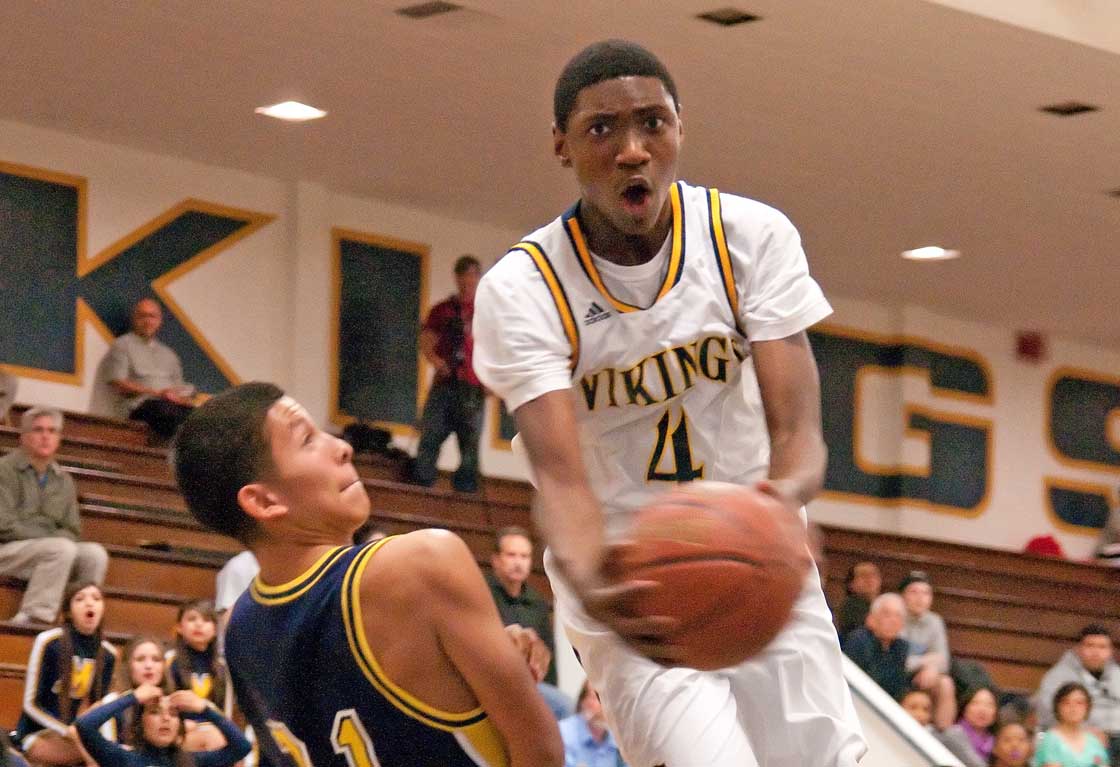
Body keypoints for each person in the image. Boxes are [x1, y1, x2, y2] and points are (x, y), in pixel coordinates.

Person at [472, 39, 865, 767]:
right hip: (628, 572)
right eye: (602, 129)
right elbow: (560, 477)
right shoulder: (522, 289)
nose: (632, 150)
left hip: (756, 538)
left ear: (681, 129)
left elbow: (799, 428)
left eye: (653, 123)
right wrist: (592, 573)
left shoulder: (750, 236)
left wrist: (780, 503)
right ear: (561, 145)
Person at [172, 382, 562, 767]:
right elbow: (542, 752)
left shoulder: (241, 627)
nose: (342, 447)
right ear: (263, 500)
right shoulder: (423, 562)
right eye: (307, 440)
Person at [0, 407, 109, 624]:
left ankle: (76, 619)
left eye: (52, 431)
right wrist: (49, 537)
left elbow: (72, 529)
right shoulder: (4, 470)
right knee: (60, 548)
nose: (45, 436)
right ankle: (35, 618)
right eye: (38, 430)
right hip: (7, 550)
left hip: (47, 550)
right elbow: (4, 525)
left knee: (95, 554)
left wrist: (52, 539)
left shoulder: (63, 480)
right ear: (23, 436)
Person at [15, 582, 117, 766]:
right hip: (38, 733)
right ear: (68, 611)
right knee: (108, 755)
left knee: (114, 752)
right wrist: (66, 731)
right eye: (80, 599)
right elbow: (31, 704)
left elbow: (102, 709)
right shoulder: (49, 642)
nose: (89, 603)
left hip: (78, 737)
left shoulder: (108, 654)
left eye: (96, 598)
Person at [409, 256, 486, 493]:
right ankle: (422, 483)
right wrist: (437, 362)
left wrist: (492, 383)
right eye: (464, 275)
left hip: (474, 386)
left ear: (478, 278)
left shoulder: (486, 312)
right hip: (446, 382)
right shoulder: (442, 310)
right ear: (457, 277)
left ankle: (466, 491)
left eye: (473, 275)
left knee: (471, 444)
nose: (468, 281)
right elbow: (426, 341)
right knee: (431, 434)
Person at [486, 526, 570, 718]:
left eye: (524, 557)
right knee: (564, 708)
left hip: (532, 686)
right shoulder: (482, 593)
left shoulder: (538, 602)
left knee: (563, 708)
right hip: (493, 682)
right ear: (496, 560)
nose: (518, 562)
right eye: (511, 555)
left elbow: (548, 656)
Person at [72, 683, 250, 767]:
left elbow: (242, 746)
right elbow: (84, 725)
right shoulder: (123, 758)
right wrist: (132, 697)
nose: (165, 718)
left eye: (173, 714)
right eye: (155, 712)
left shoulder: (193, 761)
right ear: (140, 723)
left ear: (179, 726)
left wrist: (204, 708)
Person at [104, 297, 195, 439]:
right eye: (142, 316)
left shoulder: (169, 354)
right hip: (139, 408)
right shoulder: (122, 345)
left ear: (159, 320)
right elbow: (118, 384)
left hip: (169, 408)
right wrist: (157, 393)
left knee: (197, 417)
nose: (147, 321)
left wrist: (181, 397)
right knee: (164, 411)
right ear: (134, 319)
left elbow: (178, 389)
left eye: (152, 316)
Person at [1034, 625, 1120, 764]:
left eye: (1102, 647)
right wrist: (1082, 732)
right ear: (1078, 648)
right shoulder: (1057, 677)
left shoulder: (1117, 674)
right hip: (1077, 739)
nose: (1096, 652)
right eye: (1090, 646)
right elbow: (1048, 713)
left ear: (1111, 651)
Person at [166, 600, 232, 751]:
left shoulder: (223, 667)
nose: (199, 624)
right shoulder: (170, 661)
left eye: (206, 620)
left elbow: (225, 712)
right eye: (191, 619)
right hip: (182, 731)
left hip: (215, 731)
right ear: (179, 627)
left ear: (215, 630)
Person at [899, 571, 957, 729]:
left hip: (922, 678)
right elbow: (898, 661)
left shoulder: (935, 621)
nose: (920, 598)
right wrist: (926, 662)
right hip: (897, 675)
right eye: (914, 592)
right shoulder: (896, 616)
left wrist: (931, 668)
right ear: (902, 596)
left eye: (925, 593)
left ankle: (942, 734)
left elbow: (943, 662)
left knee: (945, 683)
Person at [89, 635, 170, 745]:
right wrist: (132, 698)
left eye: (156, 660)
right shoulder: (113, 701)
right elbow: (76, 730)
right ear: (127, 666)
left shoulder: (171, 704)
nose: (149, 665)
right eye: (140, 659)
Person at [843, 593, 912, 700]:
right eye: (887, 614)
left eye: (898, 616)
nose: (893, 620)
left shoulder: (901, 646)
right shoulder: (859, 640)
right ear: (871, 618)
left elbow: (899, 686)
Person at [1033, 682, 1111, 767]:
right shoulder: (1050, 740)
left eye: (1079, 703)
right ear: (1057, 707)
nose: (1073, 708)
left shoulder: (1094, 741)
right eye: (1066, 703)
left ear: (1088, 707)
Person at [558, 682, 626, 767]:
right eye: (599, 698)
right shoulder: (563, 734)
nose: (606, 706)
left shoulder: (618, 740)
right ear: (583, 702)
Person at [940, 686, 999, 767]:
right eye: (976, 703)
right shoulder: (954, 733)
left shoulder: (996, 741)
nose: (982, 710)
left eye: (989, 705)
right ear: (965, 708)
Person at [836, 561, 881, 642]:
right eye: (863, 575)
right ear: (851, 584)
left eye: (874, 574)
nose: (870, 579)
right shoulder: (849, 606)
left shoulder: (883, 604)